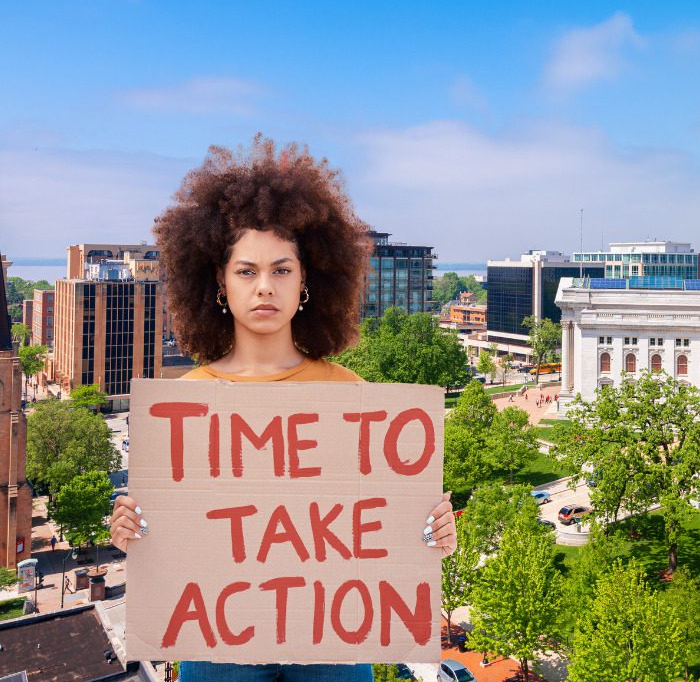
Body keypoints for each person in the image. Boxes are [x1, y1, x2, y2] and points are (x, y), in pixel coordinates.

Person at [110, 138, 457, 681]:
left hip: (331, 639)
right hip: (216, 643)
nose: (265, 287)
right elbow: (178, 533)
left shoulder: (353, 394)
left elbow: (373, 525)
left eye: (282, 270)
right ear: (219, 284)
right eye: (246, 271)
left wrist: (430, 530)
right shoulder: (184, 401)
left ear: (307, 282)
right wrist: (132, 528)